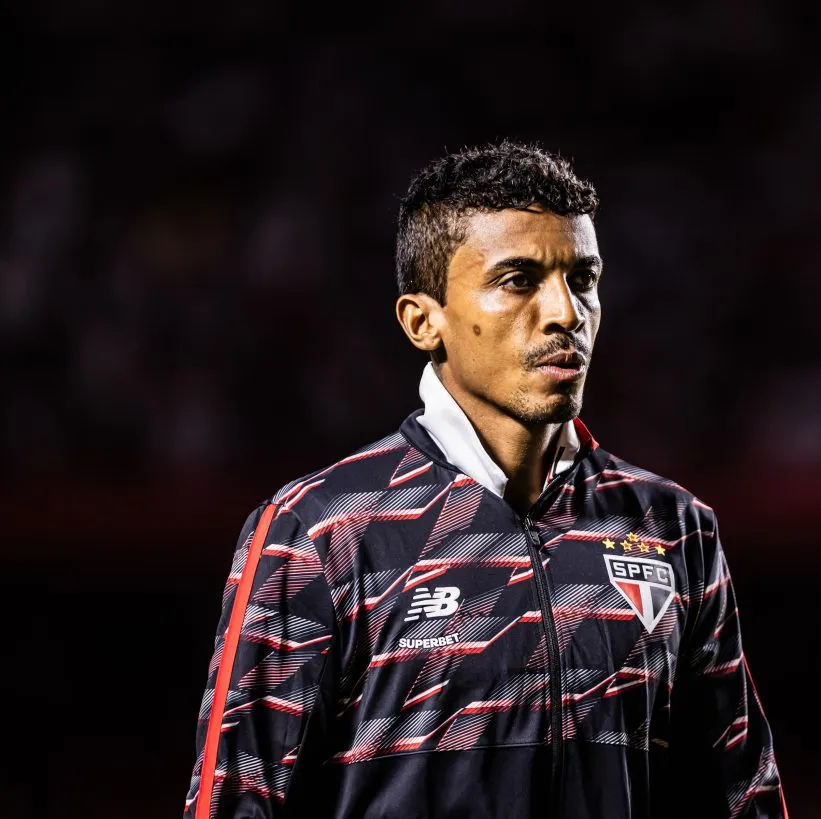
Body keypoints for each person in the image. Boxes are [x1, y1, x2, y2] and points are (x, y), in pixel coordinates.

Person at [183, 140, 788, 819]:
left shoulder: (672, 529)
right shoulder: (321, 534)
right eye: (519, 280)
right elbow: (236, 803)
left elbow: (743, 801)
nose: (566, 312)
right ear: (423, 321)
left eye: (582, 278)